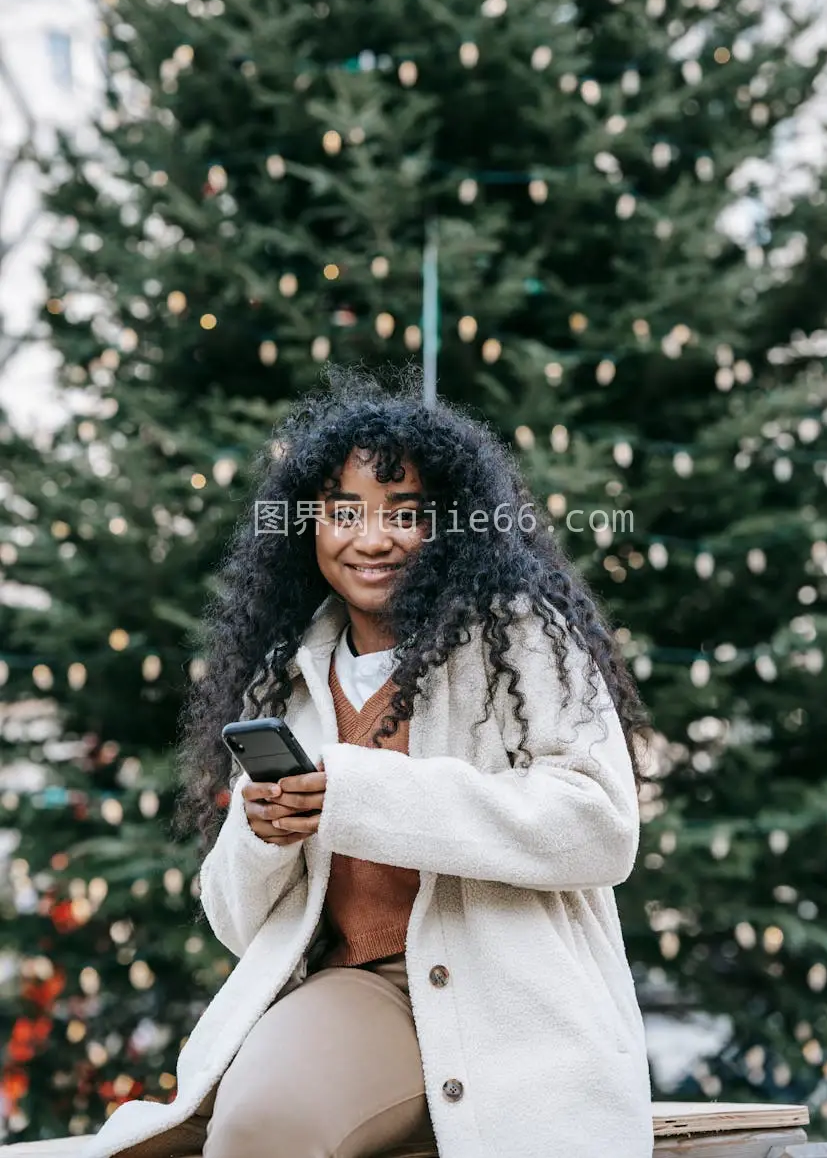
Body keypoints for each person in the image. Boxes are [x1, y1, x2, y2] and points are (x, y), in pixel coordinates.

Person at [84, 363, 655, 1158]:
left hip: (513, 1003)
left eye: (405, 512)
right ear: (309, 525)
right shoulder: (286, 673)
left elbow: (599, 828)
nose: (372, 538)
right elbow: (238, 924)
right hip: (360, 994)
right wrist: (262, 836)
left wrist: (358, 791)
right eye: (344, 511)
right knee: (251, 1130)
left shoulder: (521, 635)